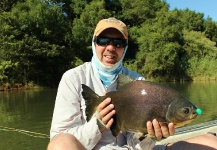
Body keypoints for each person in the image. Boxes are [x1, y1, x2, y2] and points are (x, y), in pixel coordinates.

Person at [47, 17, 217, 150]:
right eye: (103, 41)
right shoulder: (73, 78)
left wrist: (151, 136)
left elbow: (137, 145)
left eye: (118, 43)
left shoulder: (138, 82)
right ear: (94, 43)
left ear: (125, 48)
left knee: (211, 142)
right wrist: (97, 124)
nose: (110, 47)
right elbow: (59, 138)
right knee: (60, 145)